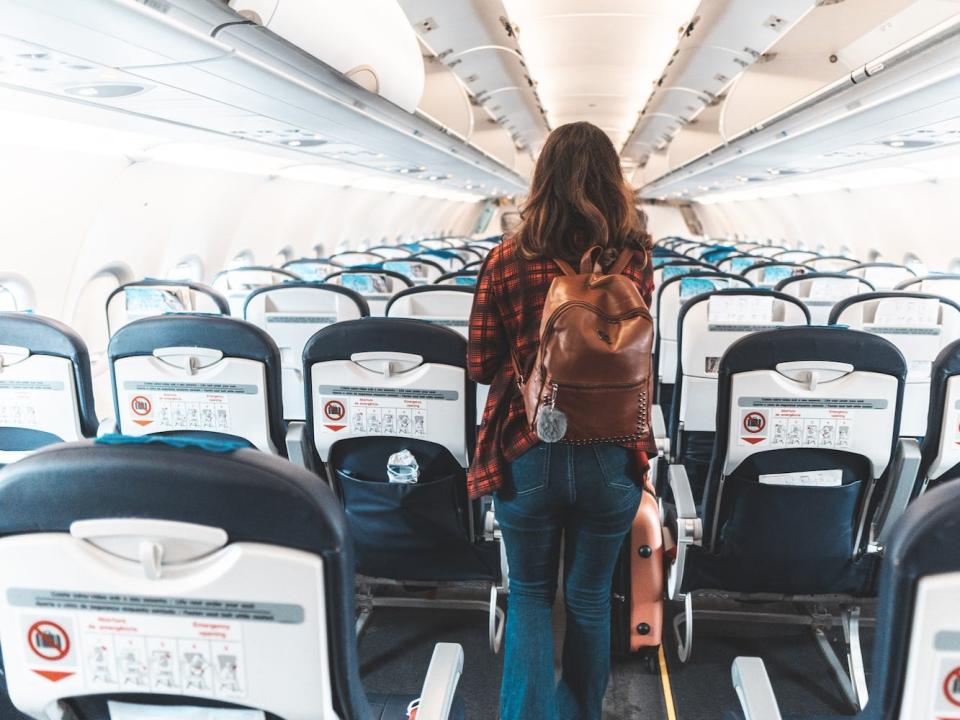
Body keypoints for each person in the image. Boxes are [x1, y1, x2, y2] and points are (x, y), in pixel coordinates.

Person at [467, 121, 656, 720]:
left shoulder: (505, 258)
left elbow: (478, 364)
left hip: (529, 448)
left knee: (527, 596)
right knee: (591, 597)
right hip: (612, 450)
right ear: (613, 181)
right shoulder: (635, 259)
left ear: (541, 180)